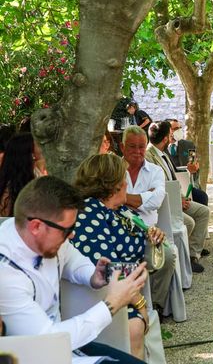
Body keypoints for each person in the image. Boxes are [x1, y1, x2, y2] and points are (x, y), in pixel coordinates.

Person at [0, 176, 147, 363]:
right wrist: (111, 304)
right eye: (67, 230)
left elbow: (72, 258)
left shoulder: (48, 237)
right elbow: (48, 339)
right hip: (35, 354)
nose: (73, 234)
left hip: (67, 343)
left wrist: (92, 275)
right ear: (36, 226)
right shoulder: (5, 274)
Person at [73, 153, 165, 359]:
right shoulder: (90, 213)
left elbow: (139, 238)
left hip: (128, 288)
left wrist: (152, 237)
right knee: (134, 327)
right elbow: (109, 269)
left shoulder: (120, 209)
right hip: (105, 295)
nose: (126, 183)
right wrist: (140, 304)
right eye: (123, 179)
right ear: (112, 184)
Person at [121, 126, 175, 310]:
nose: (137, 151)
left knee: (168, 257)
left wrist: (121, 198)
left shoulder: (155, 171)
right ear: (122, 147)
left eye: (141, 146)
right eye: (132, 146)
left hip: (148, 232)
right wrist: (145, 196)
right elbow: (107, 200)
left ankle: (157, 305)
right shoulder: (114, 169)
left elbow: (156, 201)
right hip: (119, 230)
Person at [146, 120, 209, 272]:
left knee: (203, 212)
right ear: (166, 138)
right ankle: (182, 258)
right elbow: (157, 186)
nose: (173, 137)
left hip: (176, 198)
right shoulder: (149, 156)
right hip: (166, 204)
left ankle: (193, 254)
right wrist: (177, 200)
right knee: (189, 222)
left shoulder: (163, 153)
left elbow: (172, 178)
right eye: (170, 134)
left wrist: (182, 197)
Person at [0, 133, 41, 217]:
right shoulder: (9, 188)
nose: (41, 148)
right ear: (30, 153)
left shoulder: (36, 172)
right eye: (37, 144)